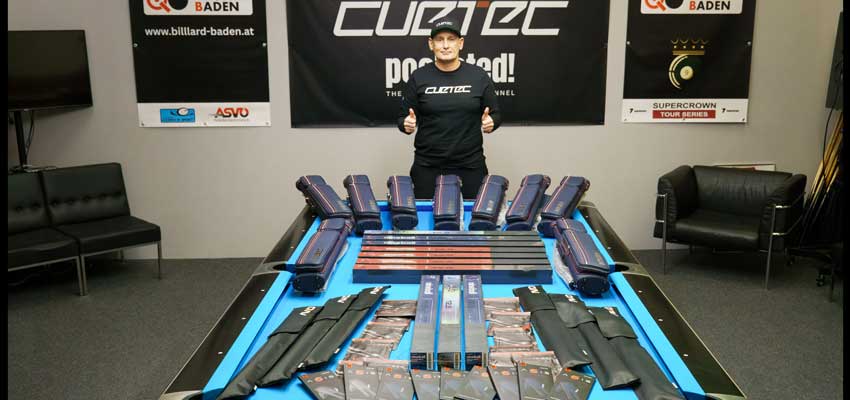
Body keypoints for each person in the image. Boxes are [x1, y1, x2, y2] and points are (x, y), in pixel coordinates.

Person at [397, 18, 502, 199]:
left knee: (475, 215)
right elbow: (402, 118)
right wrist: (406, 124)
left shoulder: (478, 76)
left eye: (451, 39)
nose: (445, 45)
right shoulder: (418, 77)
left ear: (460, 43)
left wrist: (492, 122)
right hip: (427, 166)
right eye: (440, 40)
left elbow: (496, 114)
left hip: (470, 165)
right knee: (426, 216)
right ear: (431, 44)